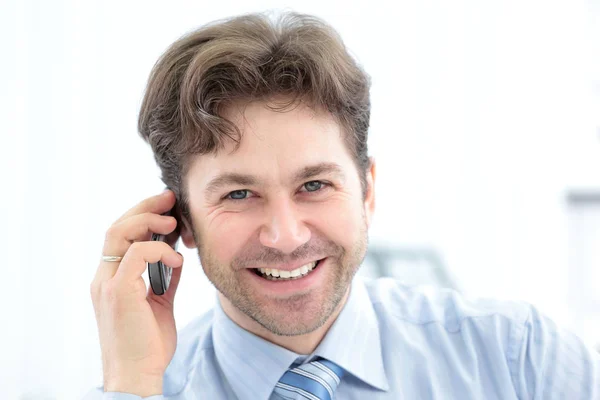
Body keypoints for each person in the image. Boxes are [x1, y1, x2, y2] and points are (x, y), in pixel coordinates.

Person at [85, 11, 599, 400]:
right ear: (183, 223)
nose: (285, 236)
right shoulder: (150, 387)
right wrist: (131, 382)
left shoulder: (521, 362)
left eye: (314, 185)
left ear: (367, 192)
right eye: (239, 194)